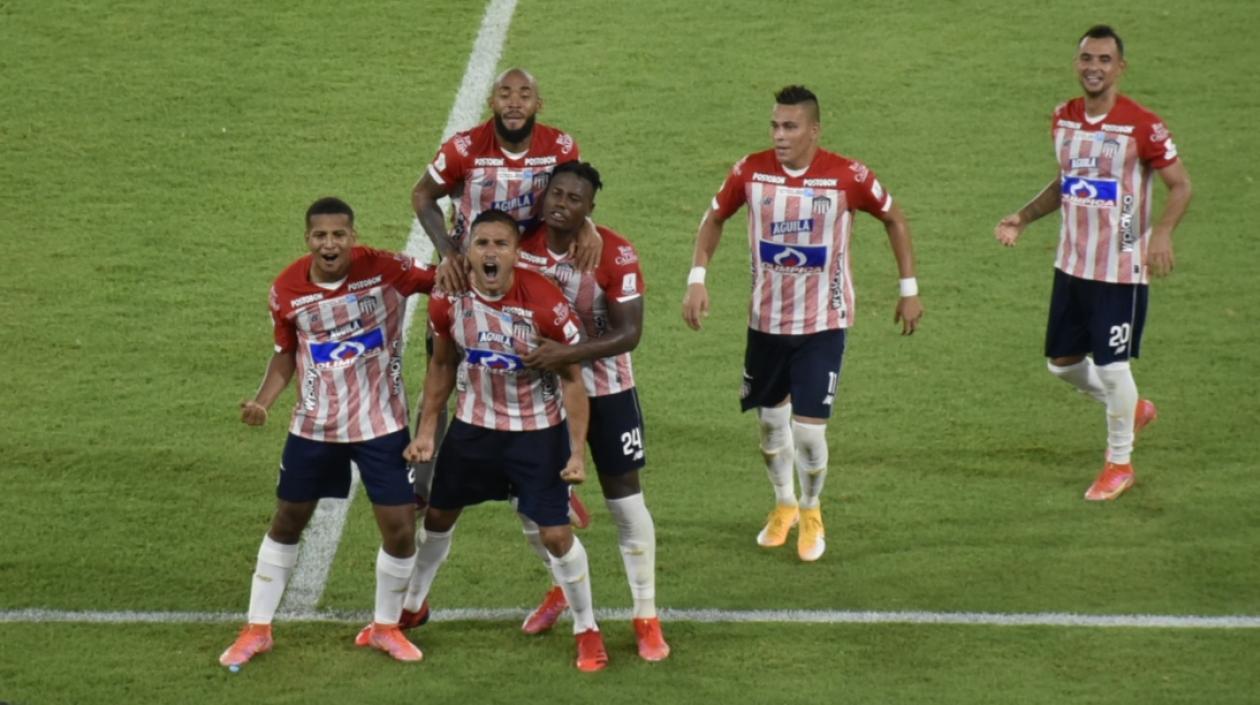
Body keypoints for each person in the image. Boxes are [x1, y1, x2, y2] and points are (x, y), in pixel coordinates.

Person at [682, 85, 924, 562]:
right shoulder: (749, 172)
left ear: (814, 130)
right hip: (766, 323)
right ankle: (784, 504)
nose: (779, 135)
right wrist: (697, 278)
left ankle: (812, 510)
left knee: (810, 433)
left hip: (823, 323)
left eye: (790, 127)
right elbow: (713, 218)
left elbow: (893, 218)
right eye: (774, 125)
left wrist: (908, 289)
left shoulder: (847, 176)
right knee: (771, 429)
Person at [219, 197, 436, 668]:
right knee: (288, 519)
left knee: (400, 530)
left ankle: (384, 627)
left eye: (339, 234)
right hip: (315, 427)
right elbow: (284, 353)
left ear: (353, 237)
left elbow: (445, 279)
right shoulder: (287, 288)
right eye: (321, 235)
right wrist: (262, 401)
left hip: (381, 426)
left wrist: (462, 245)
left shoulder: (385, 269)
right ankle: (257, 628)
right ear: (308, 239)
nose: (330, 243)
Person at [399, 209, 609, 672]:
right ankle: (414, 604)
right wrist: (429, 430)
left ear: (516, 254)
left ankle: (587, 628)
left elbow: (574, 380)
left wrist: (576, 453)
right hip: (473, 430)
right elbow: (441, 365)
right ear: (467, 252)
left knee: (556, 535)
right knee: (437, 518)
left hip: (537, 434)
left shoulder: (545, 303)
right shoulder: (448, 299)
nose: (490, 253)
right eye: (481, 244)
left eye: (500, 244)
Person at [994, 25, 1191, 501]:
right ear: (1076, 63)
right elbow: (1066, 183)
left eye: (1104, 60)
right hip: (1072, 265)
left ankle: (1119, 464)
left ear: (1120, 68)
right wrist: (1022, 217)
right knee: (1061, 365)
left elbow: (1180, 186)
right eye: (1087, 58)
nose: (1094, 67)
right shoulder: (1063, 119)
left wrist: (1161, 231)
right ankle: (1131, 408)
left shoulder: (1142, 125)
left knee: (1111, 366)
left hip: (1121, 270)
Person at [409, 66, 596, 529]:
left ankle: (549, 479)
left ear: (538, 104)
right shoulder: (464, 148)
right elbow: (422, 196)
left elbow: (575, 191)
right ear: (493, 102)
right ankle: (421, 475)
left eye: (524, 94)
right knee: (445, 359)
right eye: (506, 94)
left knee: (542, 367)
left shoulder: (560, 146)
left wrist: (587, 224)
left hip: (530, 267)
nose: (514, 102)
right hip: (472, 268)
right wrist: (451, 253)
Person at [511, 161, 669, 660]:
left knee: (625, 502)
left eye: (574, 199)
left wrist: (566, 354)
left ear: (590, 209)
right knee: (530, 509)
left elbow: (630, 333)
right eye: (555, 194)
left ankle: (646, 615)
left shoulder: (614, 252)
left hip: (608, 392)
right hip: (541, 396)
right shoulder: (518, 244)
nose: (561, 204)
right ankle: (562, 586)